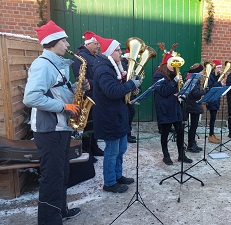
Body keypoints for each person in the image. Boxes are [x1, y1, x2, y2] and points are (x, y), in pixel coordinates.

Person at [23, 20, 81, 225]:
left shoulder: (57, 62)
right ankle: (49, 221)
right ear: (53, 41)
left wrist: (76, 87)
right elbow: (30, 98)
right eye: (64, 40)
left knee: (62, 174)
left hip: (61, 127)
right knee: (52, 177)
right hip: (48, 131)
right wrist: (64, 107)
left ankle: (60, 211)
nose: (67, 44)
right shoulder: (42, 64)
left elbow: (57, 91)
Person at [92, 35, 141, 193]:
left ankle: (118, 175)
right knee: (112, 151)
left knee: (121, 149)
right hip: (109, 116)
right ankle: (110, 182)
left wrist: (131, 89)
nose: (121, 53)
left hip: (117, 114)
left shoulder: (113, 66)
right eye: (118, 50)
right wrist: (131, 84)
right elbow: (112, 91)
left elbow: (118, 89)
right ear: (109, 52)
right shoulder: (103, 69)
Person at [153, 42, 192, 165]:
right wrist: (175, 81)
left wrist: (181, 93)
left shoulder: (175, 74)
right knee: (165, 133)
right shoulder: (158, 75)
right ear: (166, 64)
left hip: (175, 108)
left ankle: (181, 154)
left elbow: (177, 90)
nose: (175, 65)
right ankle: (166, 155)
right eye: (172, 63)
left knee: (180, 132)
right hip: (164, 108)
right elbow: (163, 91)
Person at [72, 31, 104, 162]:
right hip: (87, 95)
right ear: (88, 44)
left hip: (95, 94)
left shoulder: (93, 55)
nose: (98, 46)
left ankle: (94, 146)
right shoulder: (80, 57)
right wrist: (98, 82)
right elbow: (81, 78)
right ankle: (87, 150)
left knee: (94, 123)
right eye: (96, 44)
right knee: (87, 124)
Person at [121, 37, 140, 144]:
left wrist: (137, 89)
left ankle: (128, 133)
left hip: (131, 95)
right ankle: (126, 134)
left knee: (130, 113)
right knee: (127, 114)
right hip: (124, 95)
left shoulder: (133, 66)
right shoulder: (123, 65)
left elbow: (137, 80)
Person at [185, 63, 206, 152]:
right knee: (193, 126)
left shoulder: (195, 79)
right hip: (193, 105)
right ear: (198, 72)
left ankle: (193, 143)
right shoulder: (192, 80)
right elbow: (195, 93)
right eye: (202, 70)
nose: (203, 72)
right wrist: (205, 91)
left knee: (194, 126)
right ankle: (190, 145)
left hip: (194, 105)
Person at [206, 59, 225, 143]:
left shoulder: (217, 76)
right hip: (211, 99)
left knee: (214, 117)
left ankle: (212, 133)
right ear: (214, 68)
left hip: (216, 98)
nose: (220, 69)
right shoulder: (210, 76)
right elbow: (210, 86)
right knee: (212, 117)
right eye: (219, 67)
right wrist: (220, 83)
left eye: (221, 67)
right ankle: (210, 135)